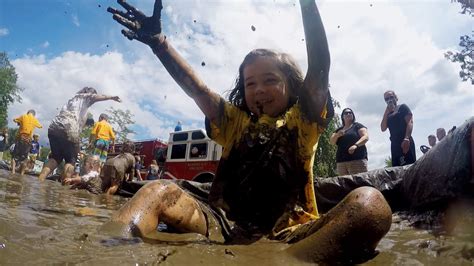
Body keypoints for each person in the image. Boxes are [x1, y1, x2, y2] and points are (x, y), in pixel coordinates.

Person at [107, 0, 391, 264]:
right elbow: (199, 91)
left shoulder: (303, 120)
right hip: (222, 223)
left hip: (293, 231)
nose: (260, 89)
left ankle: (291, 261)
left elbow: (319, 68)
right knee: (156, 190)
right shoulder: (235, 122)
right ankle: (106, 248)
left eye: (270, 80)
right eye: (250, 83)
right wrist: (160, 44)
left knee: (370, 205)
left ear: (293, 86)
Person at [38, 87, 121, 182]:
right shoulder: (86, 97)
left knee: (55, 158)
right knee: (71, 161)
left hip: (54, 127)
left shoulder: (73, 99)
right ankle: (63, 191)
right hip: (69, 127)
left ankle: (40, 180)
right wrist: (112, 97)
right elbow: (100, 96)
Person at [380, 90, 416, 166]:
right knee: (397, 170)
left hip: (405, 142)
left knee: (409, 168)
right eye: (386, 99)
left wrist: (406, 138)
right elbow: (383, 128)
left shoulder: (402, 107)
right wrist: (387, 110)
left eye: (391, 97)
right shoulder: (388, 114)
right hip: (395, 145)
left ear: (396, 98)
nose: (389, 100)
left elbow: (410, 122)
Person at [330, 108, 369, 175]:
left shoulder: (357, 126)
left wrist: (355, 145)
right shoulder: (338, 130)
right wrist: (337, 135)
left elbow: (365, 137)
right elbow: (331, 142)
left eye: (350, 112)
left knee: (360, 183)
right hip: (341, 163)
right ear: (342, 116)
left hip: (357, 161)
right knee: (344, 184)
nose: (348, 114)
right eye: (346, 113)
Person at [11, 109, 42, 174]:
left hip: (21, 138)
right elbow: (40, 126)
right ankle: (22, 174)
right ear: (34, 115)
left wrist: (20, 122)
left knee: (14, 156)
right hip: (28, 140)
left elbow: (14, 120)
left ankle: (13, 172)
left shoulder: (23, 116)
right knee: (25, 158)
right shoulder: (35, 120)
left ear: (28, 112)